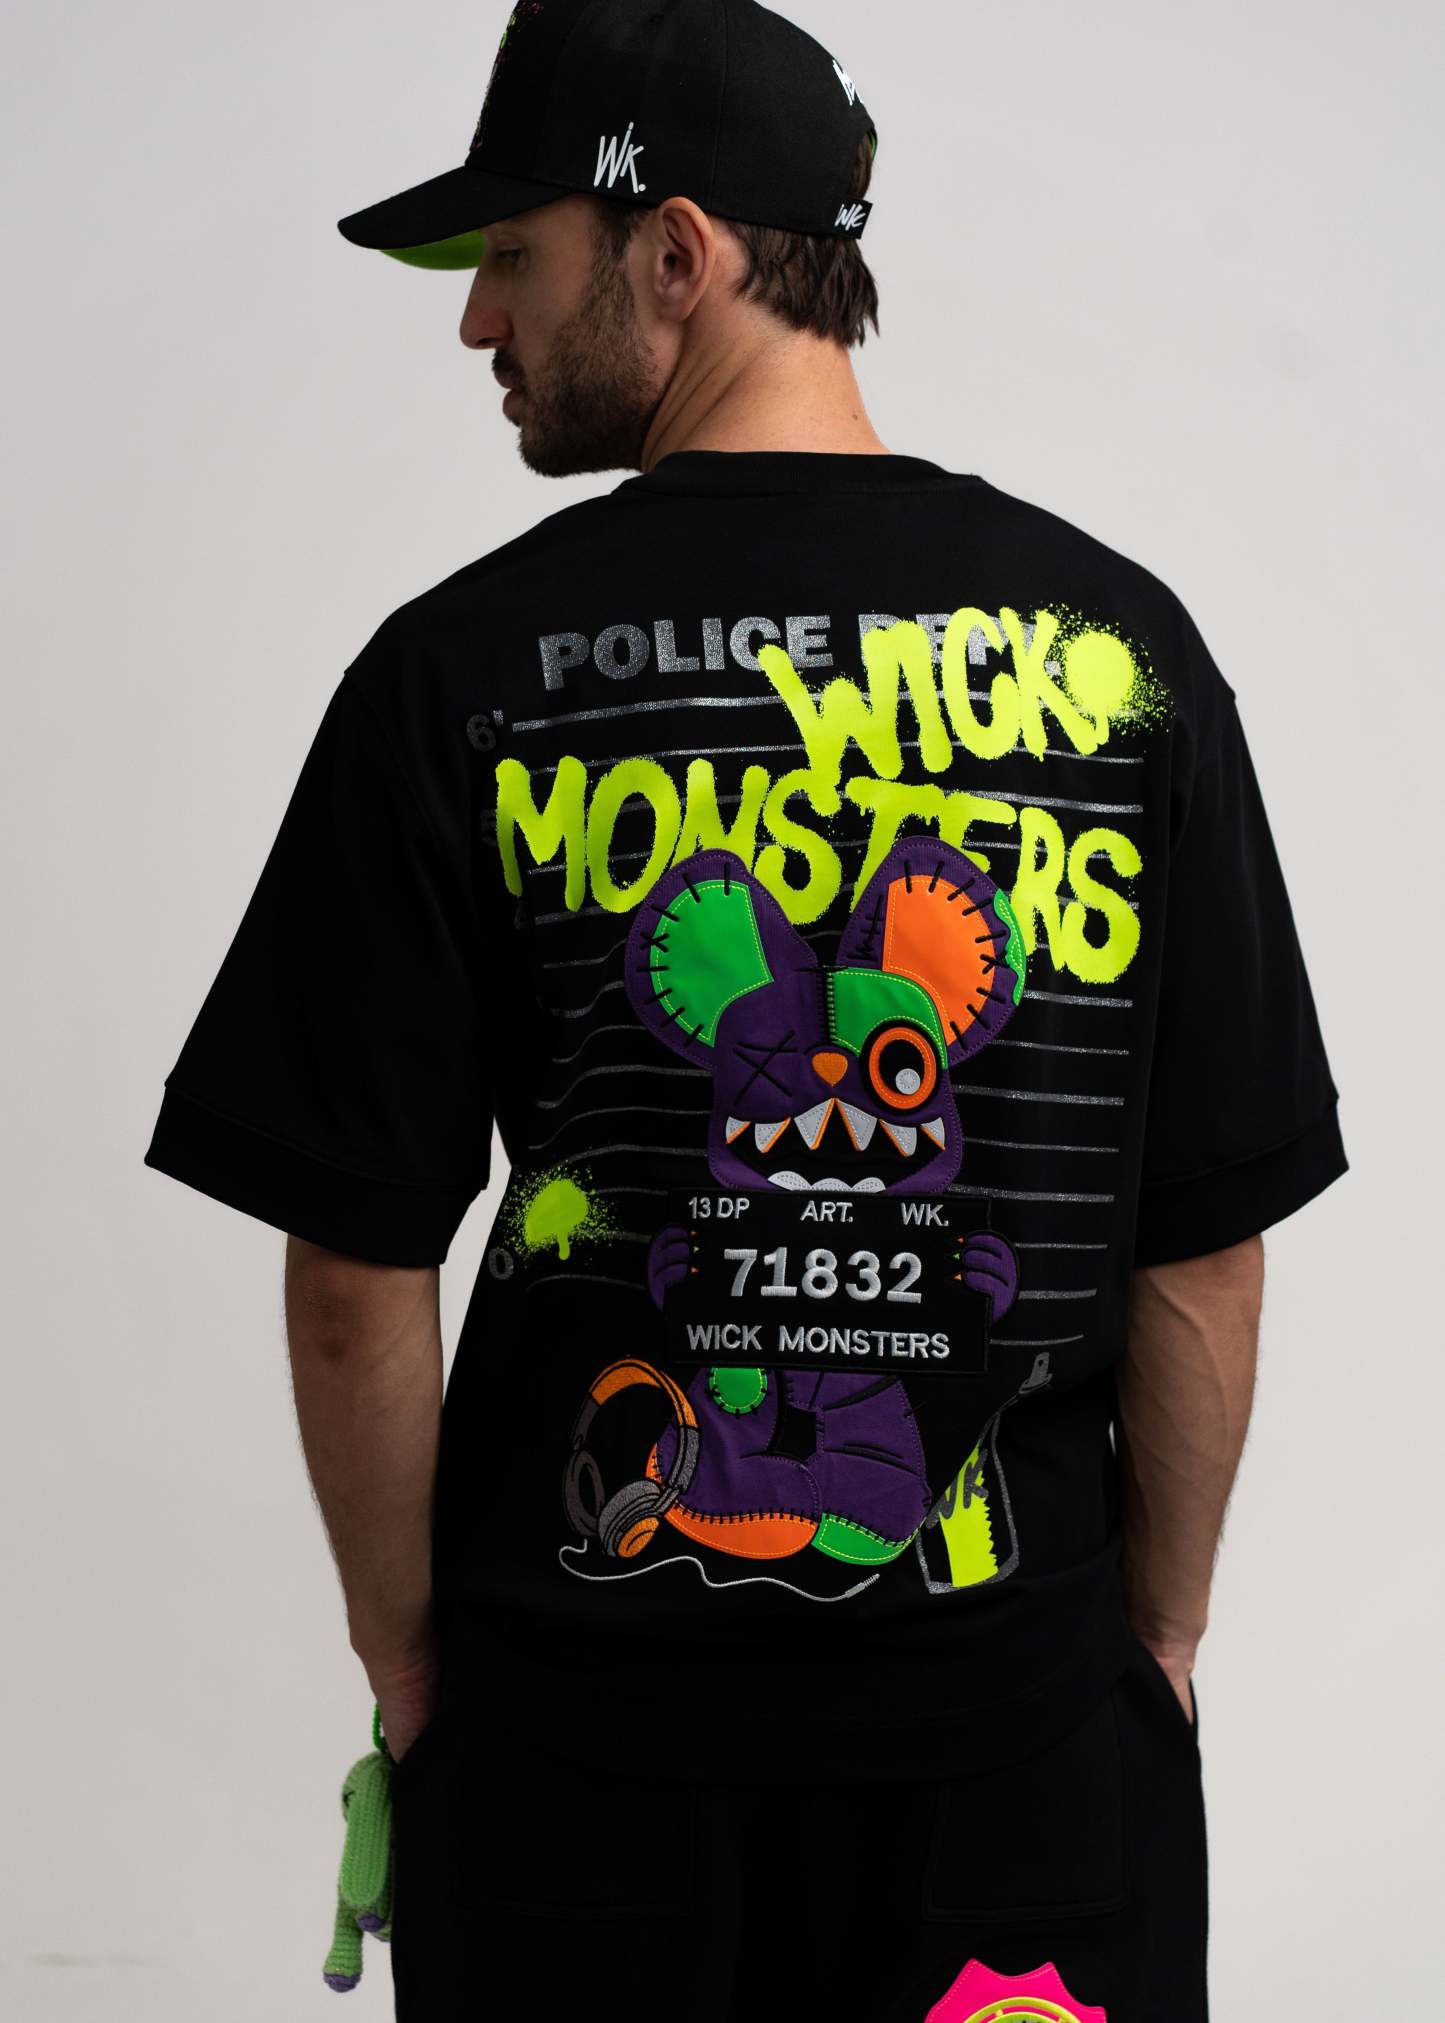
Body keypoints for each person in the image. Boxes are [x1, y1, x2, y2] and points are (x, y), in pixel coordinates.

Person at [143, 2, 1348, 2017]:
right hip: (1015, 1748)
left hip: (581, 1755)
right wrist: (1148, 1650)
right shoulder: (1122, 656)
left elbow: (356, 1266)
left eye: (512, 256)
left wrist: (411, 1668)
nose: (479, 323)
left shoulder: (463, 672)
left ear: (677, 252)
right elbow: (1203, 1242)